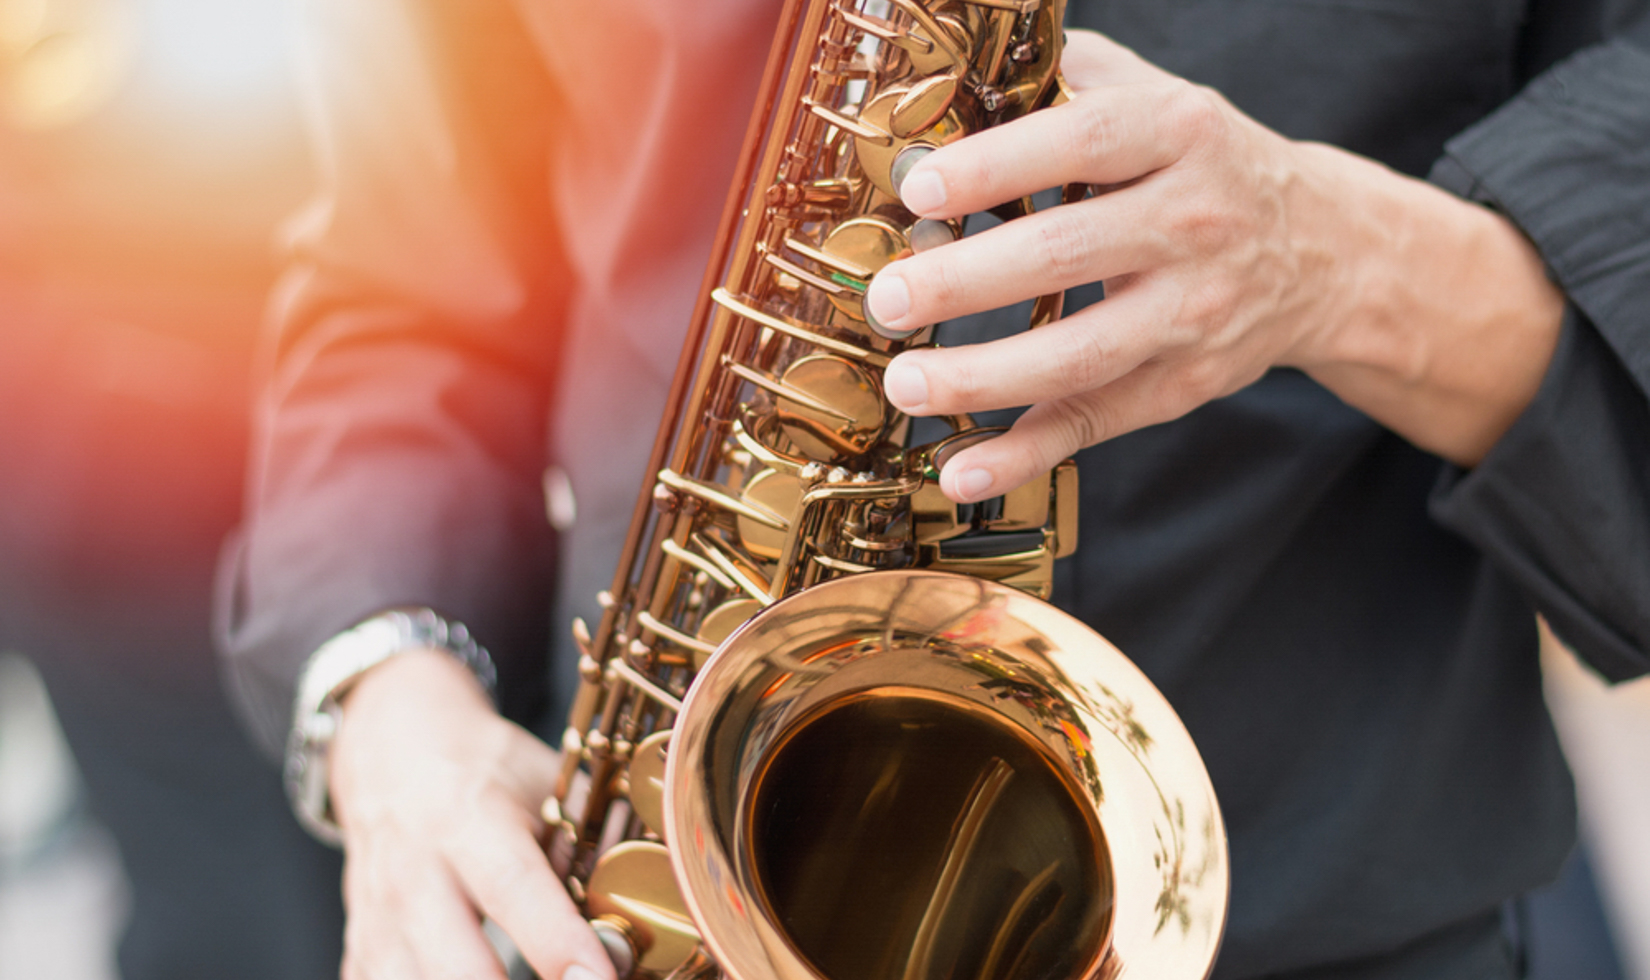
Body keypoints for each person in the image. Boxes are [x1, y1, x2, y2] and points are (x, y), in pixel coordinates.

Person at [216, 1, 1650, 979]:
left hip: (1342, 899)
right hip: (653, 880)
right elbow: (394, 290)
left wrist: (1339, 262)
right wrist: (393, 717)